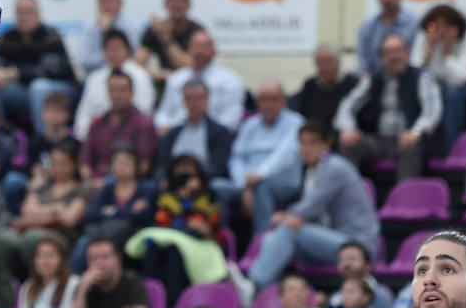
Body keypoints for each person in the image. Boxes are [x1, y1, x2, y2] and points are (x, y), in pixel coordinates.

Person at [249, 120, 381, 289]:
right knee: (271, 241)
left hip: (357, 244)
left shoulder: (334, 167)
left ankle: (254, 284)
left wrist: (284, 216)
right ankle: (267, 298)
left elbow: (310, 207)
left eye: (312, 143)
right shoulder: (312, 170)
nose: (306, 149)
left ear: (326, 145)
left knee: (289, 229)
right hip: (334, 239)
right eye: (302, 143)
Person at [125, 154, 226, 308]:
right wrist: (184, 216)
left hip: (199, 246)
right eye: (180, 170)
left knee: (174, 251)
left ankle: (174, 305)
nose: (185, 175)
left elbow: (208, 227)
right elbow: (162, 224)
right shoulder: (165, 198)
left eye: (189, 170)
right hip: (168, 242)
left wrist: (196, 224)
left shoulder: (209, 197)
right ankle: (149, 302)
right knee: (152, 247)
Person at [336, 33, 441, 181]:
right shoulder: (374, 79)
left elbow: (432, 110)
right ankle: (350, 195)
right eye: (388, 53)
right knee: (349, 143)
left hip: (406, 137)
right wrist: (347, 128)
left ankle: (404, 200)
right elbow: (348, 104)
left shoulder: (420, 76)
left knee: (411, 146)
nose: (394, 57)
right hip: (379, 139)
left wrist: (416, 132)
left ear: (407, 53)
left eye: (398, 51)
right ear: (382, 58)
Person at [0, 0, 78, 137]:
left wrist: (15, 74)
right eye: (20, 12)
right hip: (22, 90)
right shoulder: (8, 38)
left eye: (28, 12)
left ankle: (42, 142)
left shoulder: (50, 36)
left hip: (59, 89)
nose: (24, 16)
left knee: (38, 87)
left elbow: (47, 70)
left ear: (38, 13)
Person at [230, 81, 305, 233]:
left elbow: (284, 156)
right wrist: (243, 184)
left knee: (262, 188)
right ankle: (220, 247)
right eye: (263, 99)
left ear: (284, 101)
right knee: (217, 187)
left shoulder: (296, 123)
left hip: (283, 187)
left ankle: (261, 243)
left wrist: (259, 176)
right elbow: (237, 157)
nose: (268, 105)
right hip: (246, 185)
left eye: (273, 99)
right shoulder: (249, 125)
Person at [152, 81, 235, 210]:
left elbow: (220, 166)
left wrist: (198, 181)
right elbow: (161, 164)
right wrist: (163, 180)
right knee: (150, 188)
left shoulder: (220, 132)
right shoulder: (172, 133)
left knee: (219, 187)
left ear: (207, 100)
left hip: (205, 182)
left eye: (198, 98)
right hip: (173, 182)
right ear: (184, 101)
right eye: (189, 99)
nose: (194, 103)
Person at [73, 145, 156, 273]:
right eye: (117, 162)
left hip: (133, 235)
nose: (121, 166)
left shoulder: (147, 188)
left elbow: (142, 217)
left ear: (136, 165)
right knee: (84, 242)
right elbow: (91, 214)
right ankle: (75, 281)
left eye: (126, 162)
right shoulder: (108, 188)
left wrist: (111, 211)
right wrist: (126, 212)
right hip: (104, 233)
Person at [411, 3, 466, 150]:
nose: (440, 32)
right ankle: (425, 149)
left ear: (455, 27)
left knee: (451, 95)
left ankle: (453, 148)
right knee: (427, 95)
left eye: (445, 26)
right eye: (436, 26)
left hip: (464, 88)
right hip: (433, 87)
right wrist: (429, 51)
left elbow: (462, 78)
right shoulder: (424, 38)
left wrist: (447, 53)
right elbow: (414, 74)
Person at [153, 31, 246, 134]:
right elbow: (163, 113)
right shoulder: (176, 79)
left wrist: (209, 134)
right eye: (196, 47)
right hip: (176, 136)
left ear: (214, 51)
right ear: (188, 50)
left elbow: (231, 119)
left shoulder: (230, 80)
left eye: (204, 47)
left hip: (213, 138)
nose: (199, 52)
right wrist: (165, 127)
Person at [74, 31, 156, 141]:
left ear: (128, 50)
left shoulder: (141, 76)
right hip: (96, 137)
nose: (113, 53)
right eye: (109, 49)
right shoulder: (94, 78)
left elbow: (144, 110)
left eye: (117, 48)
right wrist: (84, 135)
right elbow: (84, 114)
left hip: (130, 137)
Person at [80, 71, 159, 180]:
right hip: (95, 184)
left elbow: (144, 165)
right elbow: (85, 160)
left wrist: (112, 185)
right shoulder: (97, 123)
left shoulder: (143, 123)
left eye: (122, 90)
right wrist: (89, 182)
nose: (117, 96)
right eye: (113, 90)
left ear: (132, 92)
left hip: (127, 186)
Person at [14, 234, 81, 308]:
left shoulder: (74, 284)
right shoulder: (28, 287)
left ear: (62, 259)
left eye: (51, 256)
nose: (44, 261)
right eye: (39, 256)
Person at [135, 0, 204, 86]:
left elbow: (190, 66)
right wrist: (157, 74)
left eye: (181, 0)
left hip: (192, 87)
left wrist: (166, 38)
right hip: (162, 86)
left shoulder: (197, 32)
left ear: (189, 4)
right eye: (173, 0)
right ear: (166, 4)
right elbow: (136, 66)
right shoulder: (154, 30)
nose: (177, 5)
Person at [356, 0, 417, 76]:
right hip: (374, 82)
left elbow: (416, 60)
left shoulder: (414, 24)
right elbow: (363, 64)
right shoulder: (367, 28)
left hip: (408, 80)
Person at [78, 0, 147, 75]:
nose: (106, 6)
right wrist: (102, 33)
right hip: (96, 76)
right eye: (102, 1)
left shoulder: (133, 26)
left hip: (126, 76)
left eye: (110, 0)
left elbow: (135, 58)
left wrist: (107, 32)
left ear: (120, 2)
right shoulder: (90, 26)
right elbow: (83, 60)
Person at [291, 45, 360, 128]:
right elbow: (302, 114)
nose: (324, 67)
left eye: (328, 62)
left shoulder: (353, 84)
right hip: (316, 136)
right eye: (320, 63)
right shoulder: (310, 85)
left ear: (338, 62)